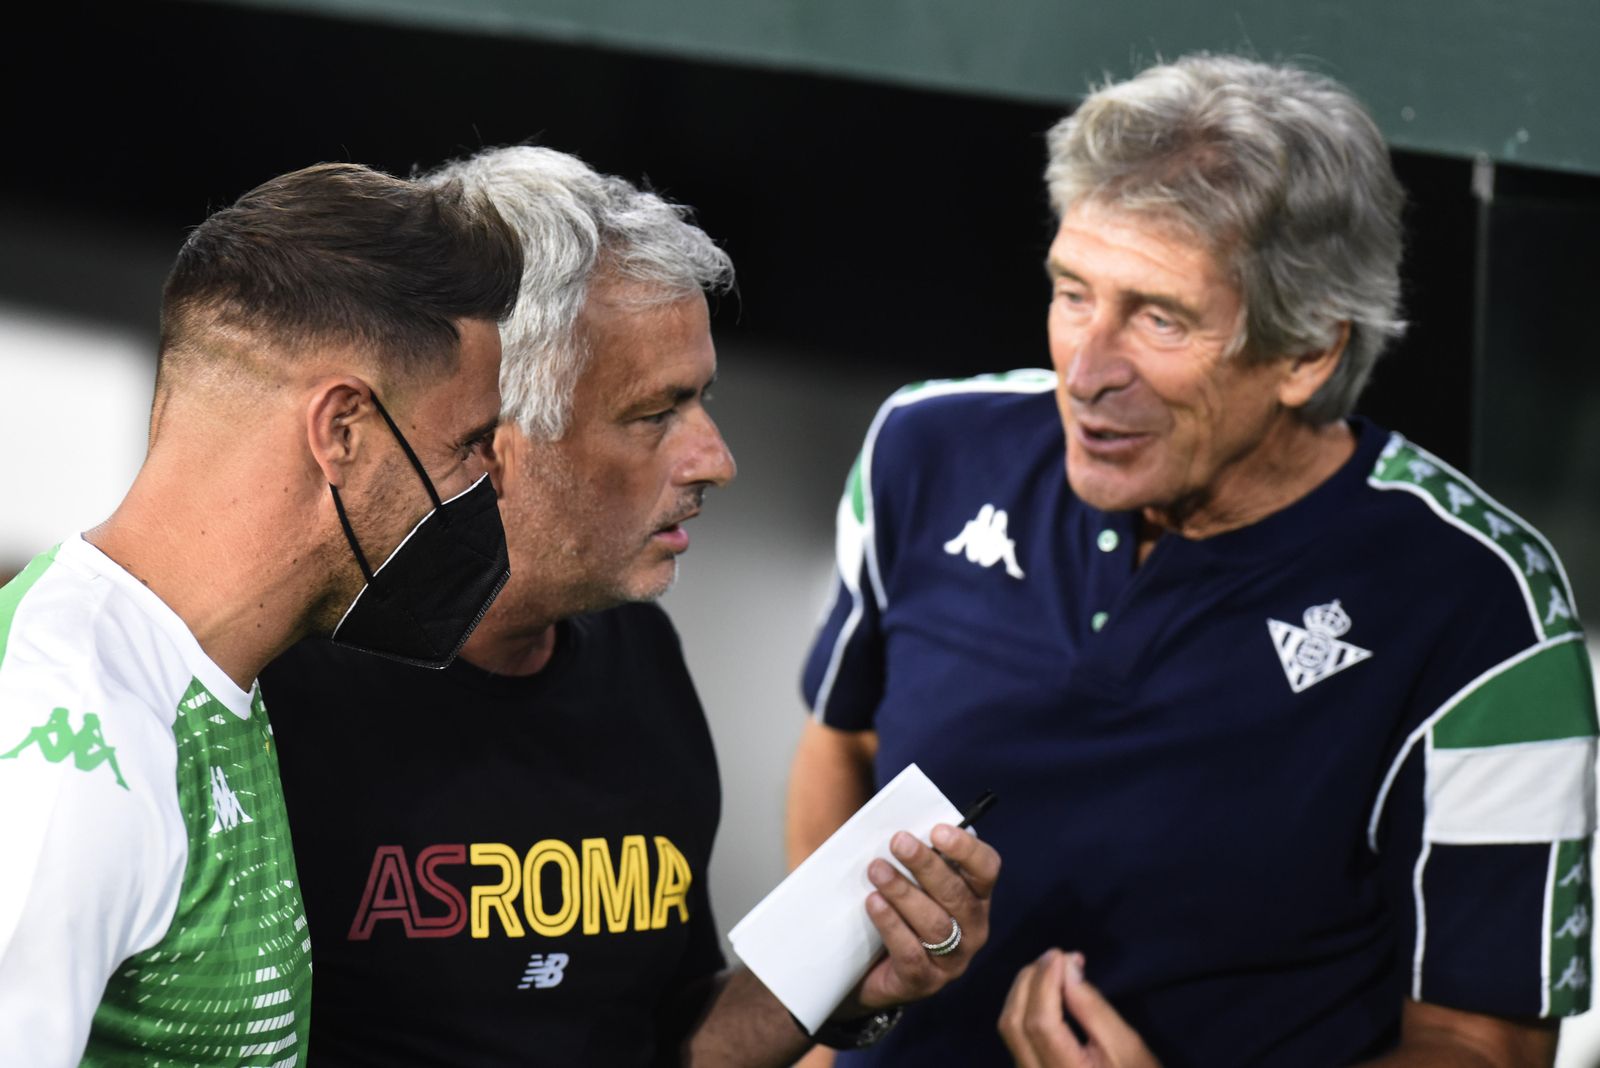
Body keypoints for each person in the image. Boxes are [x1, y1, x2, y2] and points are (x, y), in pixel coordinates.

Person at [787, 53, 1596, 1067]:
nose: (1085, 372)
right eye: (1072, 293)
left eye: (1158, 318)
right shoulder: (925, 447)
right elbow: (842, 749)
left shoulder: (1483, 608)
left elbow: (1484, 1048)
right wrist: (824, 1031)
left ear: (1306, 353)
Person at [260, 145, 1002, 1067]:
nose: (716, 459)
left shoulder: (637, 659)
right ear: (489, 433)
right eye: (657, 413)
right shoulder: (270, 692)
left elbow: (654, 1039)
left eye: (702, 401)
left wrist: (838, 985)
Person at [0, 161, 523, 1065]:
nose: (489, 485)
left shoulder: (209, 679)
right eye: (469, 442)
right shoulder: (73, 741)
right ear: (343, 430)